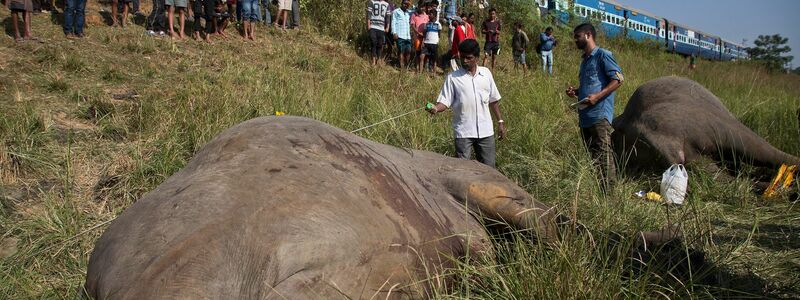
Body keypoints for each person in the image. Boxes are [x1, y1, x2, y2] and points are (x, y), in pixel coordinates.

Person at [427, 39, 507, 168]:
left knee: (489, 170)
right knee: (463, 171)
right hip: (464, 133)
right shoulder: (453, 78)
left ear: (477, 57)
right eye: (462, 57)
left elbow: (493, 100)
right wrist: (436, 108)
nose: (464, 61)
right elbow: (444, 101)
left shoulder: (486, 74)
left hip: (486, 132)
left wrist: (500, 121)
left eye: (469, 58)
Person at [565, 23, 623, 189]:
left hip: (599, 116)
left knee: (605, 158)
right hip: (585, 118)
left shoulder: (603, 55)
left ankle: (610, 197)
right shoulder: (584, 61)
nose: (575, 40)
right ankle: (600, 192)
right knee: (594, 158)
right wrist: (576, 92)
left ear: (588, 35)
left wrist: (597, 97)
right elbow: (590, 86)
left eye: (578, 36)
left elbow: (619, 79)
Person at [366, 0, 391, 65]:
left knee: (380, 45)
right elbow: (369, 14)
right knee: (373, 42)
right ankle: (373, 61)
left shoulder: (387, 4)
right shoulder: (372, 2)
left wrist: (387, 27)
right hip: (373, 26)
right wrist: (368, 25)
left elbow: (388, 17)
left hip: (381, 28)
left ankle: (378, 60)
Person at [391, 0, 412, 69]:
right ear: (401, 3)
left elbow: (415, 9)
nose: (406, 5)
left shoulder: (408, 13)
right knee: (401, 51)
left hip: (407, 36)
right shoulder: (396, 11)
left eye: (407, 4)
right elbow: (393, 22)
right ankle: (401, 67)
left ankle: (407, 66)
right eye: (405, 4)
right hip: (399, 35)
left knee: (408, 51)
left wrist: (410, 3)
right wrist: (394, 32)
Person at [410, 4, 428, 72]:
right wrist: (418, 32)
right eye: (421, 6)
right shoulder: (414, 15)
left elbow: (428, 26)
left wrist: (424, 34)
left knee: (423, 54)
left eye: (423, 6)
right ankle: (417, 69)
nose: (422, 8)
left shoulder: (427, 16)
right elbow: (412, 25)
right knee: (417, 53)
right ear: (418, 6)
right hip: (417, 37)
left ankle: (422, 70)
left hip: (425, 38)